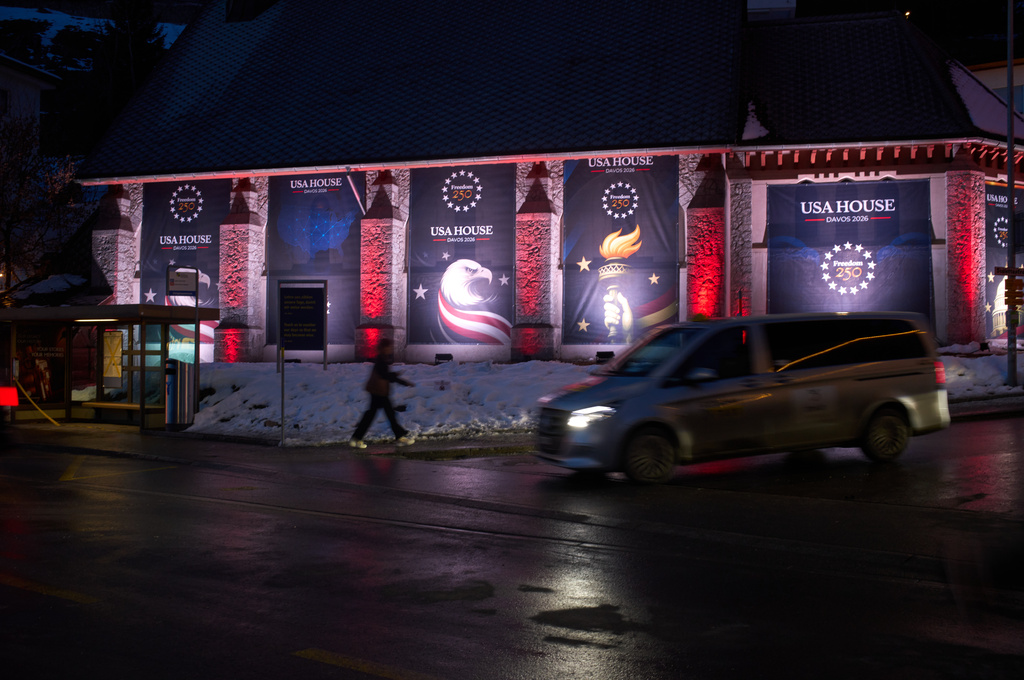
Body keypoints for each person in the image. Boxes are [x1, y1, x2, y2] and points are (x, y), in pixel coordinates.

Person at [350, 338, 415, 448]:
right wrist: (402, 381)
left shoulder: (381, 359)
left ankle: (357, 438)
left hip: (378, 392)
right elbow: (385, 376)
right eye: (389, 347)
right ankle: (399, 437)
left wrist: (395, 375)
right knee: (382, 416)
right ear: (384, 348)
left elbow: (385, 374)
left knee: (384, 415)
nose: (391, 349)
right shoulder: (381, 360)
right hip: (379, 393)